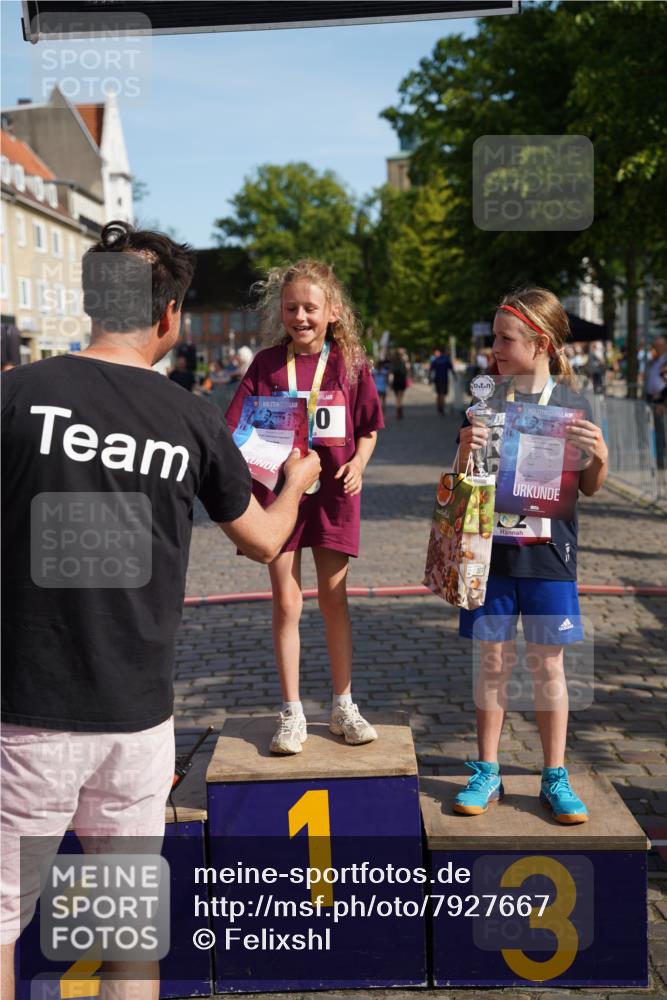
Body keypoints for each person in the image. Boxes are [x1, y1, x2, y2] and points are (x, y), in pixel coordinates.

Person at [0, 221, 320, 997]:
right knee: (125, 939)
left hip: (22, 713)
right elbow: (265, 540)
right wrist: (298, 482)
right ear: (171, 317)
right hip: (136, 721)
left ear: (87, 302)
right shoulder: (190, 417)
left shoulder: (13, 395)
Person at [453, 288, 608, 824]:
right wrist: (464, 447)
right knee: (492, 661)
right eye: (494, 337)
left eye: (504, 338)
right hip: (490, 556)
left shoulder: (571, 405)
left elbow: (588, 486)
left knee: (548, 665)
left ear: (539, 343)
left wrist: (601, 456)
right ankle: (488, 769)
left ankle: (554, 773)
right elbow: (463, 482)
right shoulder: (484, 402)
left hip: (549, 558)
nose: (493, 347)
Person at [226, 260, 384, 755]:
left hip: (335, 494)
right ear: (281, 312)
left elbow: (369, 428)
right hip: (280, 498)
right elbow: (236, 430)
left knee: (334, 599)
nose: (301, 317)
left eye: (310, 308)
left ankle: (343, 705)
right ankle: (292, 713)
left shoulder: (351, 365)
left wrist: (359, 461)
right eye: (291, 307)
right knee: (287, 602)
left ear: (332, 312)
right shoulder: (265, 365)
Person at [430, 347, 454, 415]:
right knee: (442, 393)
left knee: (439, 393)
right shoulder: (446, 359)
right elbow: (451, 368)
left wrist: (429, 378)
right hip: (444, 379)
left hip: (437, 379)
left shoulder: (436, 359)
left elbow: (431, 369)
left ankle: (439, 407)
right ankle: (441, 407)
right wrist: (454, 376)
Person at [391, 348, 410, 420]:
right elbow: (407, 372)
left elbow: (391, 373)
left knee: (397, 397)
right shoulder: (403, 362)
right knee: (400, 397)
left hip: (396, 381)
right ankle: (399, 409)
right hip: (401, 381)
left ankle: (398, 410)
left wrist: (390, 383)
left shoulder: (393, 362)